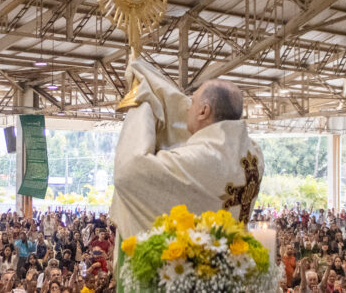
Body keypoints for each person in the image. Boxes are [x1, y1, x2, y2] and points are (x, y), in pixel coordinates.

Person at [110, 59, 265, 241]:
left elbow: (128, 171)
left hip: (196, 264)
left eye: (192, 102)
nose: (186, 108)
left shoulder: (203, 158)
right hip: (234, 261)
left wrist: (143, 103)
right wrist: (164, 94)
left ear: (203, 111)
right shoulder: (254, 155)